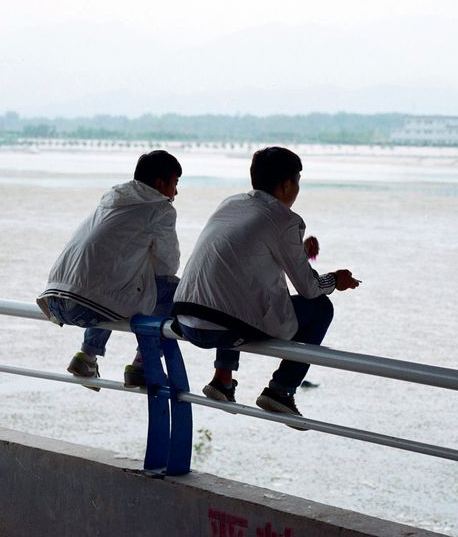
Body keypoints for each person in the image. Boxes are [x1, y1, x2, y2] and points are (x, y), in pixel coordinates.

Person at [172, 146, 359, 425]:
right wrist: (335, 280)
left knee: (232, 293)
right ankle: (282, 389)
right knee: (321, 307)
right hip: (222, 329)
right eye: (297, 183)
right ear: (287, 184)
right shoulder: (285, 219)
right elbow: (308, 288)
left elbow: (249, 262)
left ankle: (223, 378)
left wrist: (299, 254)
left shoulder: (230, 204)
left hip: (186, 320)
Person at [38, 150, 182, 389]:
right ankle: (143, 363)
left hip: (54, 299)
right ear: (160, 183)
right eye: (175, 184)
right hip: (84, 305)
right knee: (176, 290)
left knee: (111, 287)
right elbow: (167, 266)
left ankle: (87, 356)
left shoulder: (111, 201)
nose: (176, 193)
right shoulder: (160, 209)